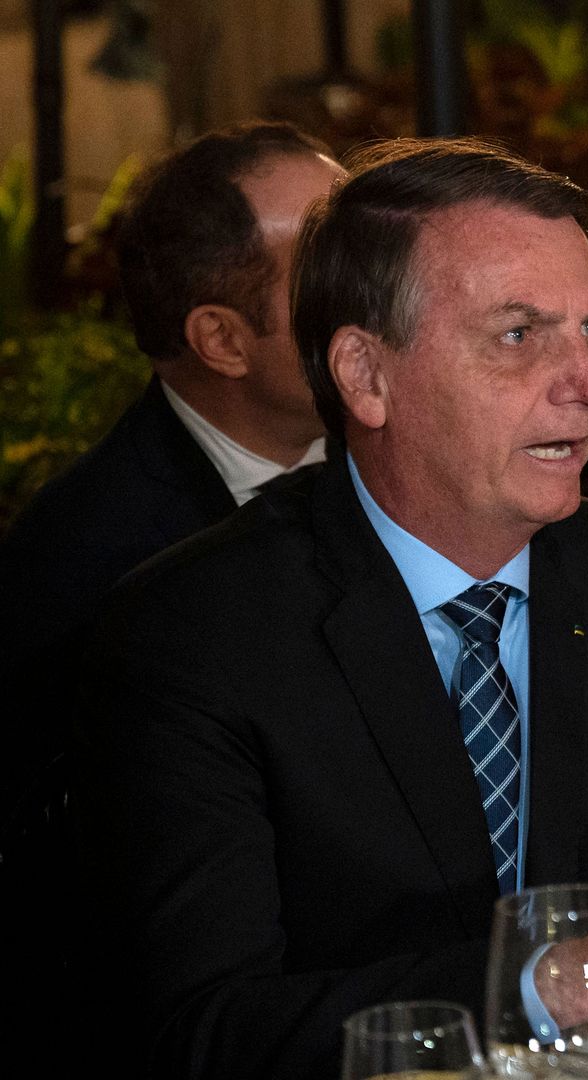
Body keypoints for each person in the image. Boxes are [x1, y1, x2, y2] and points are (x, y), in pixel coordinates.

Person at [75, 139, 588, 1080]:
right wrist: (576, 979)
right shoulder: (195, 634)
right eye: (520, 335)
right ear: (366, 375)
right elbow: (203, 1034)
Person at [0, 122, 342, 820]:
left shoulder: (419, 450)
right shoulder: (89, 567)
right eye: (330, 267)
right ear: (222, 340)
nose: (388, 283)